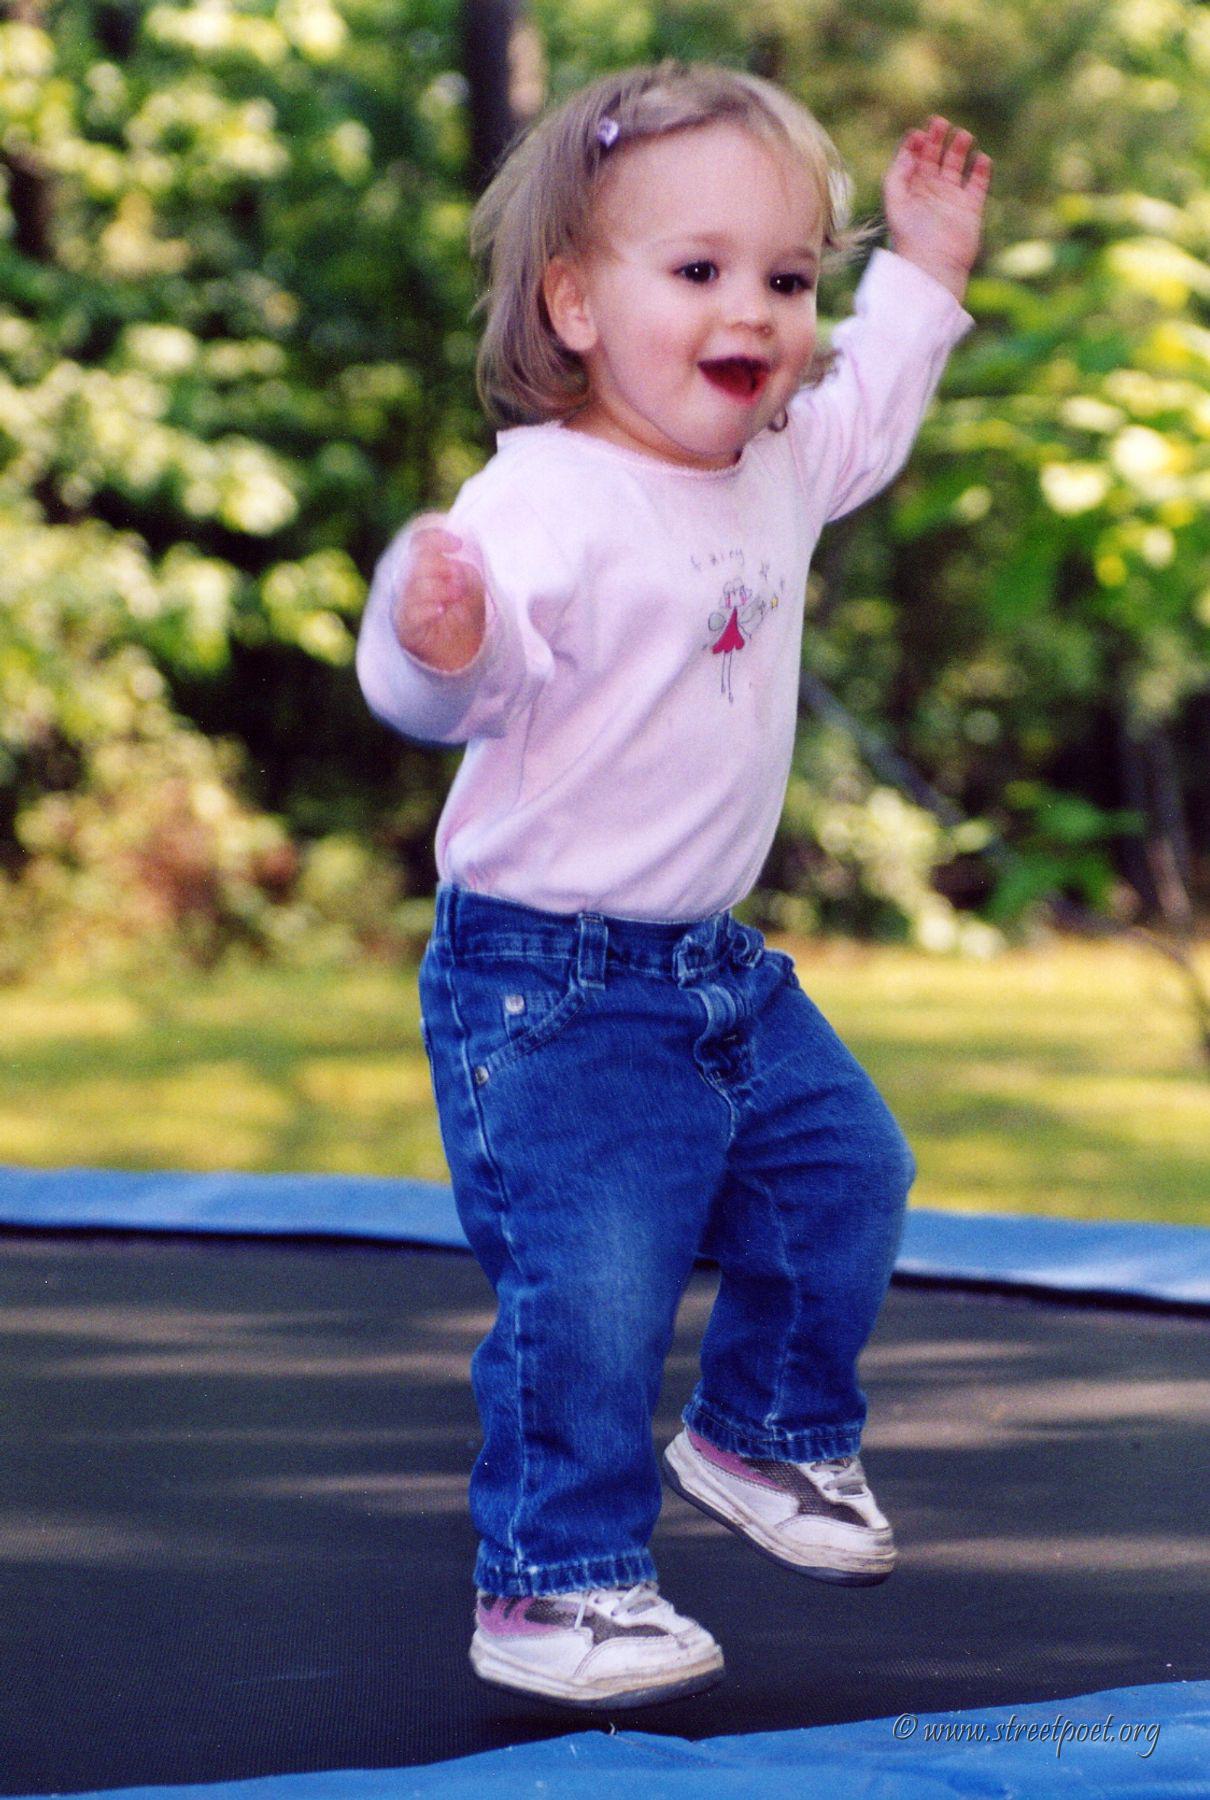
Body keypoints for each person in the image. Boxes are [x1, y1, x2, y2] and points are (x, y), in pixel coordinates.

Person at [357, 59, 990, 1710]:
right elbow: (462, 688)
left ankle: (764, 1434)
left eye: (785, 276)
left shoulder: (772, 459)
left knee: (848, 1175)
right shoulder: (545, 494)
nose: (753, 311)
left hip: (713, 967)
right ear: (573, 302)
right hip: (547, 984)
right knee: (594, 1290)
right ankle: (553, 1583)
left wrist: (922, 269)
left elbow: (870, 405)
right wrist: (440, 636)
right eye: (697, 269)